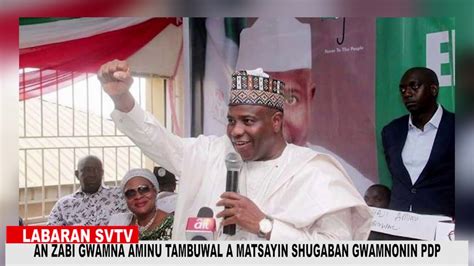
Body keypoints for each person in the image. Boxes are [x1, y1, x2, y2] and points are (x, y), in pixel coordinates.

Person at [98, 60, 371, 240]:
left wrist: (265, 226)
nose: (236, 130)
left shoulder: (315, 172)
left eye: (248, 121)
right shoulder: (212, 154)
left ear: (276, 122)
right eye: (231, 120)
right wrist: (122, 97)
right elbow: (157, 141)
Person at [235, 17, 374, 195]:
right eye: (261, 100)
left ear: (310, 97)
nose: (276, 120)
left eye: (291, 99)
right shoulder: (220, 164)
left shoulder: (333, 173)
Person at [381, 67, 454, 218]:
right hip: (397, 227)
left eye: (414, 87)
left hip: (443, 228)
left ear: (433, 89)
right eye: (402, 89)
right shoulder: (391, 132)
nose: (407, 93)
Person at [47, 155, 127, 225]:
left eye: (96, 170)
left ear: (102, 173)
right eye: (87, 170)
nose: (92, 174)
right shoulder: (64, 204)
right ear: (77, 174)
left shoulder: (119, 196)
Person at [108, 168, 173, 240]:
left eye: (144, 189)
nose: (138, 196)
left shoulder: (174, 225)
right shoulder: (119, 223)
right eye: (130, 193)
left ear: (155, 191)